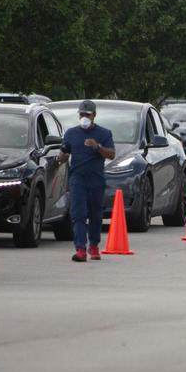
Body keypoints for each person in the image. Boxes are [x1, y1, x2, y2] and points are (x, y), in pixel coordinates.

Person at [58, 100, 115, 262]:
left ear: (94, 115)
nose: (84, 117)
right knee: (78, 214)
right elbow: (62, 157)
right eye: (81, 114)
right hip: (77, 179)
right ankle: (80, 249)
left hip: (96, 179)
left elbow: (111, 154)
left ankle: (94, 245)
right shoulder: (71, 133)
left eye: (87, 114)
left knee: (96, 214)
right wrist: (62, 155)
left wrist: (97, 147)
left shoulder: (104, 133)